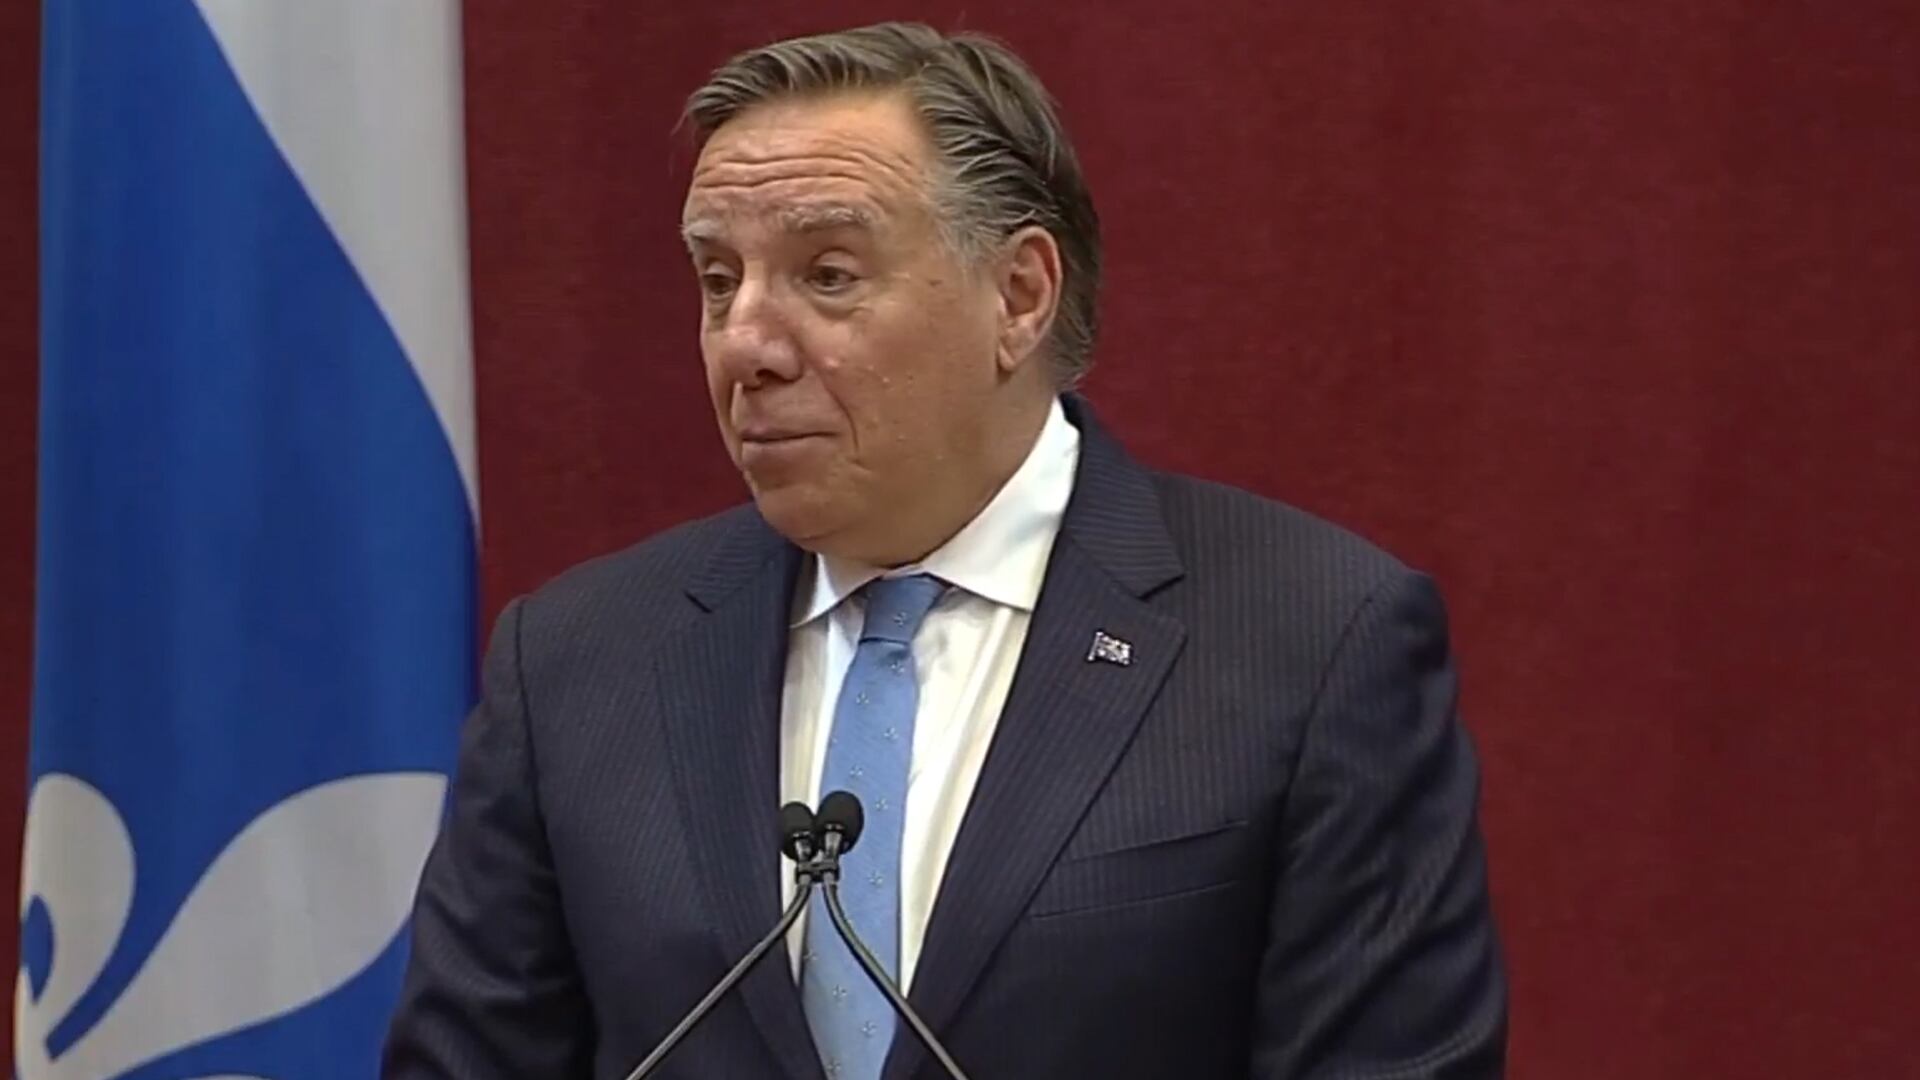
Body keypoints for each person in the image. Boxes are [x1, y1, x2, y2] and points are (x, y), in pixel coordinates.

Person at [384, 20, 1506, 1080]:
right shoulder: (578, 662)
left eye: (828, 274)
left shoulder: (1310, 643)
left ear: (1019, 296)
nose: (745, 344)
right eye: (719, 281)